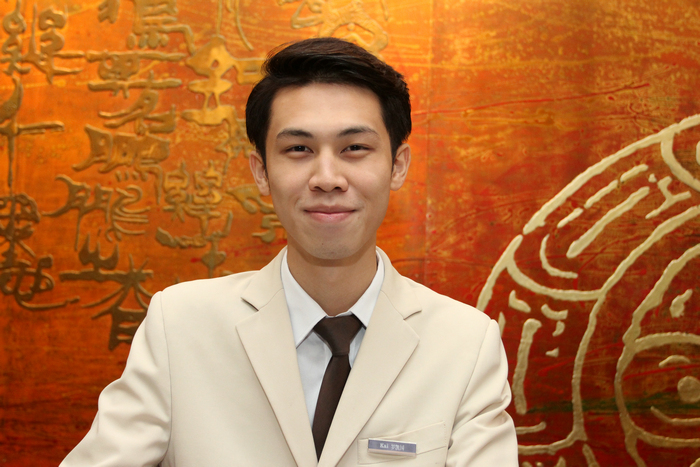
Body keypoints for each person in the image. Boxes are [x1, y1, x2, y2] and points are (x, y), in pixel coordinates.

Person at [61, 37, 518, 466]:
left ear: (397, 165)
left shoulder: (465, 344)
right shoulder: (180, 325)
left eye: (355, 148)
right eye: (298, 148)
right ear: (261, 171)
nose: (327, 178)